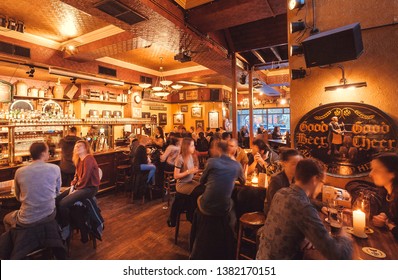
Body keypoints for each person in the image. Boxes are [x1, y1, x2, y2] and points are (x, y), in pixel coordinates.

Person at [256, 158, 353, 260]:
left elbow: (288, 227)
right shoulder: (304, 208)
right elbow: (338, 255)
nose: (321, 189)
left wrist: (305, 236)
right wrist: (344, 235)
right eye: (322, 182)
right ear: (315, 180)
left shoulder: (281, 193)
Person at [3, 142, 61, 231]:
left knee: (6, 219)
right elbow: (57, 192)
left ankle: (15, 241)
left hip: (26, 218)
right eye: (47, 151)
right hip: (49, 214)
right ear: (43, 153)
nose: (48, 153)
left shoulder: (20, 171)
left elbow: (18, 197)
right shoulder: (55, 168)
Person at [56, 140, 100, 239]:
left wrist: (76, 189)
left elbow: (85, 178)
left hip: (90, 188)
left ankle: (66, 226)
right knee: (57, 200)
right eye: (76, 146)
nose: (77, 148)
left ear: (86, 148)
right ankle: (65, 224)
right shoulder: (80, 160)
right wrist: (73, 185)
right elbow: (76, 176)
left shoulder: (89, 159)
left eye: (80, 146)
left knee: (63, 204)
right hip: (81, 187)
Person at [198, 140, 245, 216]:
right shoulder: (237, 165)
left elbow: (201, 181)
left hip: (207, 207)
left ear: (219, 149)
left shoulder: (211, 162)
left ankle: (197, 224)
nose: (211, 150)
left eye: (213, 148)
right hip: (224, 207)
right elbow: (243, 182)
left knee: (200, 198)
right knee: (232, 202)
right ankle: (229, 225)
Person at [168, 138, 202, 225]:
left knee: (205, 188)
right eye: (192, 145)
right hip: (182, 185)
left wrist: (195, 172)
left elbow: (191, 172)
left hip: (190, 182)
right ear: (186, 147)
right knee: (201, 191)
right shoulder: (180, 158)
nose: (194, 147)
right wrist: (188, 172)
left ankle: (196, 215)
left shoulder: (190, 156)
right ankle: (193, 215)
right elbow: (176, 176)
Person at [264, 148, 302, 216]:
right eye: (294, 164)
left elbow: (304, 197)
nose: (298, 167)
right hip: (274, 215)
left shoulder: (297, 179)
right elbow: (274, 203)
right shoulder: (276, 180)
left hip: (289, 212)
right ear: (284, 163)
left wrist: (321, 206)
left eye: (299, 164)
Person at [369, 153, 398, 240]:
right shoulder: (386, 193)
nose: (370, 174)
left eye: (377, 170)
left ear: (393, 173)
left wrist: (388, 223)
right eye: (372, 169)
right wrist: (384, 216)